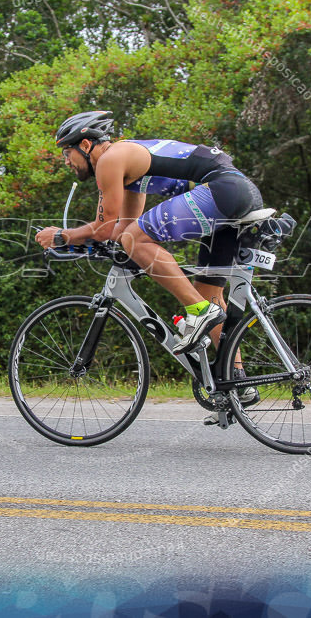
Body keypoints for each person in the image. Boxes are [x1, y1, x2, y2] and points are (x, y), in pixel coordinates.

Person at [34, 111, 266, 406]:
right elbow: (118, 230)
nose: (66, 161)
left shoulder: (110, 159)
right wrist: (85, 244)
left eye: (67, 152)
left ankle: (197, 311)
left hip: (221, 191)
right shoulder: (131, 172)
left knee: (142, 244)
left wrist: (62, 235)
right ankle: (238, 381)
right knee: (210, 297)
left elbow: (107, 229)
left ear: (86, 145)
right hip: (237, 194)